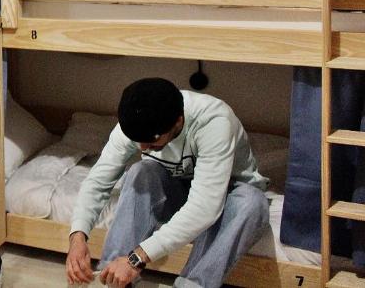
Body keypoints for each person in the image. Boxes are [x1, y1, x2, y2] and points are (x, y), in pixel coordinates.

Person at [65, 78, 270, 288]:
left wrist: (136, 258)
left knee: (251, 202)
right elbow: (98, 180)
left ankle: (191, 285)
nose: (143, 148)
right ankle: (115, 279)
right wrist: (78, 237)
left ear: (178, 122)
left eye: (152, 142)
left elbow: (205, 207)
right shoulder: (136, 119)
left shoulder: (214, 121)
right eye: (139, 142)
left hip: (229, 194)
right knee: (141, 171)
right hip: (179, 189)